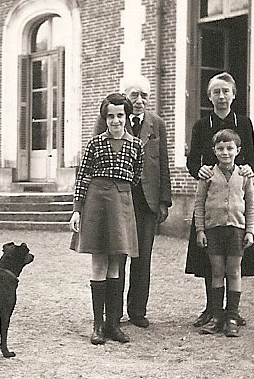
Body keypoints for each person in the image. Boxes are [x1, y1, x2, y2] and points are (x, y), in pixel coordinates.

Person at [93, 75, 172, 328]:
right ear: (125, 97)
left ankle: (137, 311)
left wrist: (164, 201)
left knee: (142, 258)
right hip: (117, 199)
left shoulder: (157, 124)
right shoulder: (112, 120)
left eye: (144, 96)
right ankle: (111, 314)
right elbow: (93, 157)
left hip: (146, 201)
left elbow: (163, 164)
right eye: (133, 95)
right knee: (116, 255)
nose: (139, 101)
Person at [185, 72, 254, 328]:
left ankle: (232, 311)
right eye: (216, 92)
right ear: (209, 96)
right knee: (211, 259)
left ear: (233, 95)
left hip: (236, 200)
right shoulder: (200, 125)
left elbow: (252, 156)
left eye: (225, 91)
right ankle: (211, 308)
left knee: (235, 263)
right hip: (212, 201)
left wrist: (250, 168)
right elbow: (193, 160)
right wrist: (200, 171)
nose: (221, 96)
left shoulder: (244, 123)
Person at [69, 93, 144, 345]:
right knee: (99, 263)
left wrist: (119, 193)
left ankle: (113, 324)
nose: (115, 121)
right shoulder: (94, 144)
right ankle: (98, 326)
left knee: (116, 265)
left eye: (120, 115)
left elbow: (136, 176)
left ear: (126, 117)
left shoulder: (136, 145)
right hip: (97, 204)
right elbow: (82, 178)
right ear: (105, 118)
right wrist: (77, 209)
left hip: (122, 204)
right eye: (110, 116)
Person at [194, 128, 254, 337]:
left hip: (237, 230)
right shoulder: (208, 175)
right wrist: (200, 230)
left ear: (237, 150)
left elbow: (251, 205)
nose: (225, 153)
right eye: (220, 149)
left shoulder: (244, 176)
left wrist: (250, 231)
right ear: (214, 151)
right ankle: (217, 316)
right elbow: (199, 204)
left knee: (234, 271)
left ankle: (232, 316)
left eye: (230, 148)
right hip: (214, 230)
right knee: (217, 271)